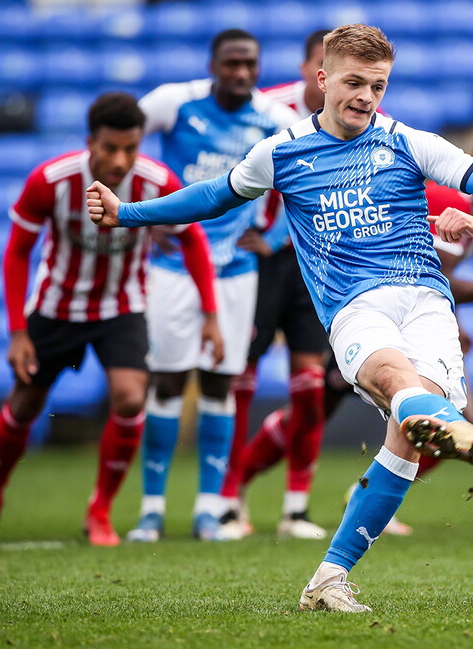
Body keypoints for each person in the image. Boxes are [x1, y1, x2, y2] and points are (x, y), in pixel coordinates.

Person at [86, 24, 473, 612]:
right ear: (322, 80)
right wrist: (128, 211)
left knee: (407, 442)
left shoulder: (409, 143)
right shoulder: (283, 150)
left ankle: (327, 579)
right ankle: (436, 415)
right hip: (355, 305)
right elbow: (213, 195)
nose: (366, 97)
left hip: (427, 300)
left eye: (377, 85)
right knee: (399, 385)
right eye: (353, 82)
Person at [232, 127, 473, 538]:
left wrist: (457, 322)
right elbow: (434, 279)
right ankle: (241, 487)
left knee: (447, 418)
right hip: (369, 309)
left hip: (394, 314)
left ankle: (366, 489)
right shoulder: (455, 203)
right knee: (311, 413)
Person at [0, 92, 218, 547]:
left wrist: (211, 313)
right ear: (89, 142)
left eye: (131, 149)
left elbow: (192, 238)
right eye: (110, 149)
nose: (120, 160)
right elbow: (18, 251)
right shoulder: (50, 180)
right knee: (24, 404)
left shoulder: (156, 181)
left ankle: (99, 511)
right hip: (57, 308)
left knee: (131, 398)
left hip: (122, 307)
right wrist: (17, 331)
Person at [124, 29, 300, 543]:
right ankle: (152, 510)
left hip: (237, 271)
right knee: (168, 381)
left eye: (250, 64)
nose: (241, 73)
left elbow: (311, 183)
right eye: (231, 64)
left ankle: (208, 509)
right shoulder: (174, 103)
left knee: (221, 383)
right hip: (173, 265)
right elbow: (122, 139)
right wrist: (147, 206)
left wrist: (273, 235)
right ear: (214, 64)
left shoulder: (275, 121)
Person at [219, 28, 334, 541]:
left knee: (310, 389)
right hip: (262, 267)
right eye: (322, 63)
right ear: (312, 66)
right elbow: (241, 174)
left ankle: (295, 509)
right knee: (240, 379)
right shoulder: (271, 112)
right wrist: (262, 233)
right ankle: (227, 500)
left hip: (314, 265)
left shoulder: (354, 118)